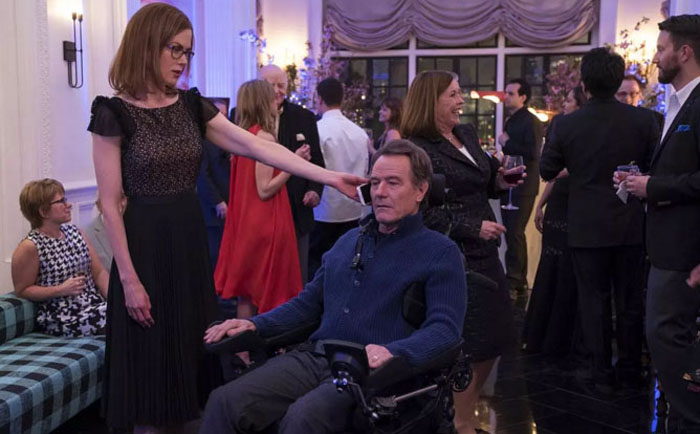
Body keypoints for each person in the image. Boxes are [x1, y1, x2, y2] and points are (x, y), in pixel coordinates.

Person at [88, 4, 364, 432]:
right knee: (149, 374)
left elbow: (258, 147)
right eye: (175, 49)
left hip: (188, 245)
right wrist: (129, 280)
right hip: (142, 252)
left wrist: (327, 175)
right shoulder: (113, 112)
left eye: (188, 52)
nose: (183, 60)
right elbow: (110, 204)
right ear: (147, 44)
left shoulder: (191, 106)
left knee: (188, 365)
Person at [200, 139, 467, 434]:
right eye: (375, 182)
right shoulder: (349, 241)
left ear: (421, 190)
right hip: (316, 357)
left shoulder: (440, 252)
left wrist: (395, 351)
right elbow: (307, 305)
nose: (380, 192)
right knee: (224, 402)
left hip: (372, 372)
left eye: (393, 183)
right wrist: (254, 324)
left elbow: (445, 330)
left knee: (303, 419)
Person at [403, 70, 521, 434]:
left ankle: (463, 416)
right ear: (432, 101)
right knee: (470, 342)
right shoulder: (416, 149)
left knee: (497, 336)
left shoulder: (465, 134)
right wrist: (471, 227)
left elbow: (480, 179)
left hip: (485, 252)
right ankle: (460, 420)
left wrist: (499, 181)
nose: (461, 101)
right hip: (452, 256)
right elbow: (418, 210)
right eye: (453, 94)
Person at [541, 47, 659, 392]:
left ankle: (600, 373)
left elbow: (547, 169)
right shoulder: (645, 121)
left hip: (586, 224)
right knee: (630, 300)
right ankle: (630, 370)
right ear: (617, 79)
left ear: (584, 84)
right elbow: (655, 167)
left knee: (593, 301)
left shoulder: (566, 124)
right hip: (629, 222)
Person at [619, 14, 700, 431]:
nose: (653, 58)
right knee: (667, 339)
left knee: (667, 338)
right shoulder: (676, 103)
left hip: (686, 251)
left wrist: (654, 186)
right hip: (668, 247)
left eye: (661, 48)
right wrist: (642, 182)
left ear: (684, 52)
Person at [214, 79, 304, 319]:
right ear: (263, 103)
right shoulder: (264, 138)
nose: (277, 102)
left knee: (247, 293)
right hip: (267, 222)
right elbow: (264, 189)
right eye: (272, 98)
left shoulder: (241, 138)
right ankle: (268, 340)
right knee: (272, 293)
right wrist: (294, 164)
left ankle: (242, 343)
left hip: (246, 223)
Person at [523, 86, 586, 357]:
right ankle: (540, 335)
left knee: (567, 269)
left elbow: (567, 169)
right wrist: (540, 204)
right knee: (549, 267)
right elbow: (553, 174)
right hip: (559, 200)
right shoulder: (561, 126)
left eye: (570, 100)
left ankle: (561, 338)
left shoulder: (583, 130)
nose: (565, 105)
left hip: (576, 201)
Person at [11, 179, 108, 337]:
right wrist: (60, 290)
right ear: (43, 212)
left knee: (131, 311)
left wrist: (118, 300)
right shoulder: (30, 246)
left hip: (93, 306)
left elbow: (99, 273)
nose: (68, 205)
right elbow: (22, 290)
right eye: (61, 201)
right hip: (62, 316)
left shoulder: (76, 233)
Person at [258, 64, 325, 284]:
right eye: (273, 85)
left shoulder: (304, 117)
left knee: (295, 279)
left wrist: (315, 190)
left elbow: (317, 161)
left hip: (297, 211)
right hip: (261, 211)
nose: (279, 91)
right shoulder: (246, 116)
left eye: (282, 85)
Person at [309, 78, 370, 277]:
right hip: (353, 208)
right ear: (342, 99)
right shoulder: (360, 133)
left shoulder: (318, 130)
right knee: (347, 264)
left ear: (319, 99)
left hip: (324, 209)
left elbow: (313, 168)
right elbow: (365, 169)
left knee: (319, 266)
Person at [497, 78, 544, 296]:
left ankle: (514, 280)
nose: (506, 97)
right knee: (511, 232)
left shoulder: (531, 121)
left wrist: (506, 142)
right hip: (510, 182)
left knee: (515, 231)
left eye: (511, 93)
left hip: (524, 184)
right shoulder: (511, 120)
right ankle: (518, 279)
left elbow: (533, 152)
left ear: (523, 97)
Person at [196, 99, 231, 269]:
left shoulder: (227, 141)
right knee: (214, 255)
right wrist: (217, 201)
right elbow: (202, 175)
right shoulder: (202, 141)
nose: (222, 118)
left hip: (228, 205)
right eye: (219, 114)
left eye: (225, 114)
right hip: (213, 210)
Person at [82, 193, 127, 271]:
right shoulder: (87, 235)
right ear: (99, 206)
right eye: (113, 199)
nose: (122, 204)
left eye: (122, 198)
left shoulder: (136, 226)